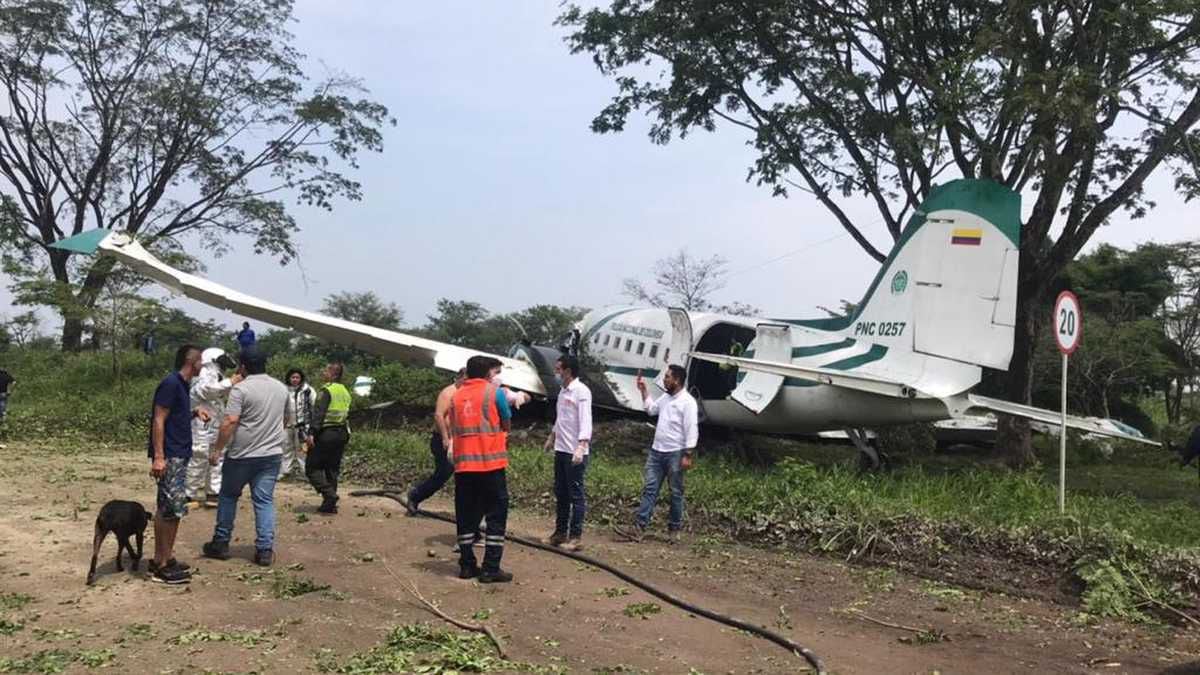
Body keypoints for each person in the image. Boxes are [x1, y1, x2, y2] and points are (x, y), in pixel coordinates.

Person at [202, 347, 293, 567]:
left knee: (228, 497)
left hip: (241, 456)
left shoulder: (241, 390)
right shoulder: (281, 388)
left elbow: (230, 421)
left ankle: (221, 542)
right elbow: (286, 419)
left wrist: (217, 450)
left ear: (242, 366)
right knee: (263, 501)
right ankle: (264, 550)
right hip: (271, 455)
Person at [148, 344, 209, 584]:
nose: (202, 365)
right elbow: (159, 419)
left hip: (178, 454)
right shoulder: (171, 383)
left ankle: (163, 558)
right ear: (191, 362)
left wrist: (194, 413)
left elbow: (173, 415)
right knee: (172, 510)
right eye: (200, 361)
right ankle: (162, 566)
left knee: (167, 508)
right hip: (171, 456)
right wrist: (160, 456)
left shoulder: (183, 386)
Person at [450, 356, 514, 583]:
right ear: (487, 373)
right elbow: (506, 420)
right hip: (490, 464)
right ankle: (491, 568)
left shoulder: (456, 396)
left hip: (464, 467)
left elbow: (454, 427)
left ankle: (467, 565)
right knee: (496, 514)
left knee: (466, 514)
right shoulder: (493, 392)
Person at [619, 365, 698, 543]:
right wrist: (644, 391)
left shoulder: (688, 402)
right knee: (650, 489)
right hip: (657, 451)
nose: (664, 380)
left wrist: (688, 454)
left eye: (667, 377)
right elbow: (651, 409)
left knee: (675, 492)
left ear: (677, 380)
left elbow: (691, 429)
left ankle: (674, 530)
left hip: (675, 453)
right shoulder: (666, 398)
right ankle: (639, 527)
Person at [543, 355, 592, 551]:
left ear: (568, 370)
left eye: (558, 369)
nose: (556, 373)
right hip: (561, 449)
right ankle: (559, 533)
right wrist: (551, 437)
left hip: (575, 451)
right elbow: (561, 418)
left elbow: (586, 420)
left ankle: (575, 536)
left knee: (576, 494)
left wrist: (582, 445)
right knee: (561, 493)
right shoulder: (563, 391)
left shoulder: (581, 391)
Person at [406, 368, 466, 515]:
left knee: (461, 476)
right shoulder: (448, 392)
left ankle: (466, 513)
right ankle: (416, 495)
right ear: (459, 377)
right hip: (442, 439)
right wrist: (445, 437)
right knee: (443, 473)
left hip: (458, 440)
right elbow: (439, 415)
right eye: (466, 378)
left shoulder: (465, 393)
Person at [186, 348, 239, 505]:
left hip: (214, 423)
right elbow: (206, 391)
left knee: (217, 457)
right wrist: (230, 382)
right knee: (199, 457)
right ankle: (189, 493)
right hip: (201, 424)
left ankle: (213, 493)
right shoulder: (205, 374)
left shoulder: (217, 375)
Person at [305, 362, 351, 514]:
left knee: (312, 468)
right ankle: (329, 505)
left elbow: (319, 413)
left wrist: (311, 433)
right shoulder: (345, 391)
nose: (323, 372)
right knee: (332, 469)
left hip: (326, 433)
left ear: (334, 374)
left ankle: (329, 494)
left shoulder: (327, 390)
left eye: (326, 370)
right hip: (341, 433)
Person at [280, 368, 315, 480]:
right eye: (293, 377)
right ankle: (285, 472)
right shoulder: (283, 390)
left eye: (297, 377)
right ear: (289, 378)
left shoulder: (307, 390)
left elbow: (314, 405)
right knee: (286, 448)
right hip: (286, 424)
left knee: (302, 450)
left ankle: (306, 472)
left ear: (301, 378)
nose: (295, 380)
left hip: (303, 425)